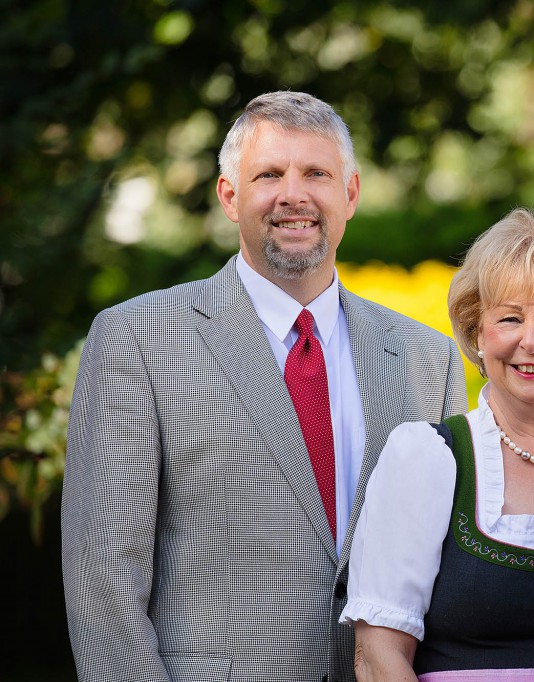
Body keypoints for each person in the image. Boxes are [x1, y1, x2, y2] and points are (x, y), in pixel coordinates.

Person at [61, 91, 467, 682]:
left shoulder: (426, 356)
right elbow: (105, 576)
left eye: (316, 174)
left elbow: (443, 567)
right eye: (269, 174)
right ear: (230, 196)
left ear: (350, 194)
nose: (293, 196)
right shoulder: (137, 340)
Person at [340, 208, 534, 681]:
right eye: (510, 318)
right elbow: (378, 656)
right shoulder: (428, 459)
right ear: (479, 334)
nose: (531, 341)